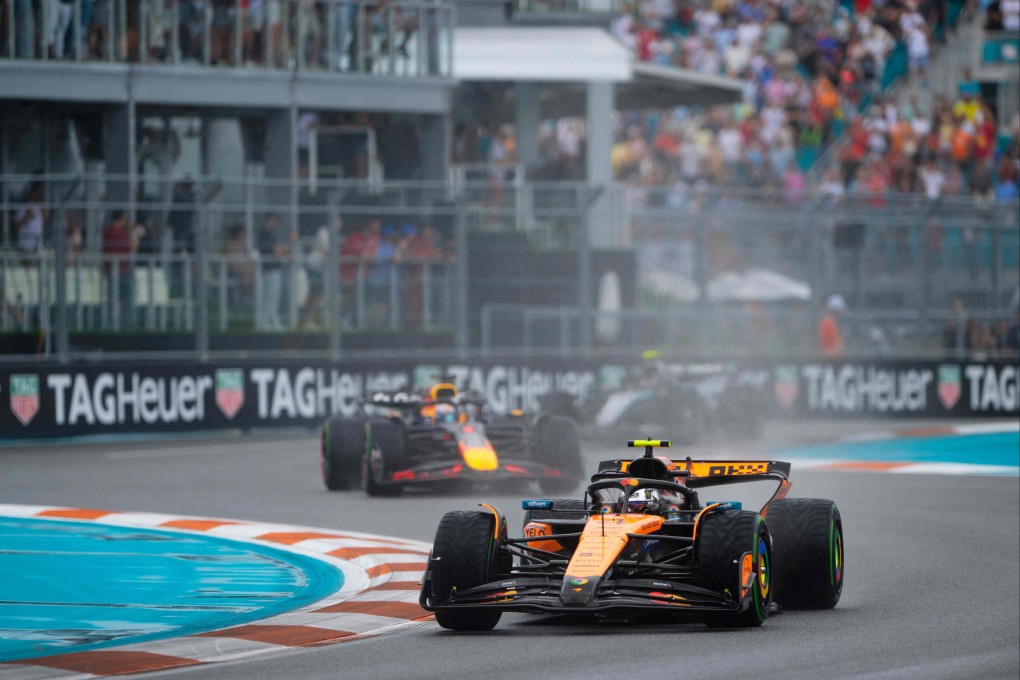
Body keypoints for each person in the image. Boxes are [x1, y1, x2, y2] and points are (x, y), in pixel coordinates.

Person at [101, 210, 141, 329]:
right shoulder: (118, 233)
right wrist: (135, 235)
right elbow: (132, 248)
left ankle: (114, 323)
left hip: (111, 270)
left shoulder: (107, 232)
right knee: (126, 299)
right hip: (122, 271)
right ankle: (125, 324)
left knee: (114, 299)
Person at [257, 212, 292, 330]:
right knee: (270, 297)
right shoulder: (265, 233)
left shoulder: (269, 233)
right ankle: (266, 321)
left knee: (272, 297)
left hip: (272, 269)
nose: (277, 223)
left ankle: (271, 320)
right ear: (270, 219)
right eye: (275, 220)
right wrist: (287, 248)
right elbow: (276, 251)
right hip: (270, 269)